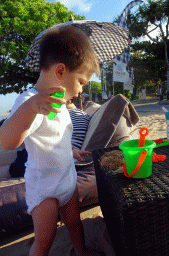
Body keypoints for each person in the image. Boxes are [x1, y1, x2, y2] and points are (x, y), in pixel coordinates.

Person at [0, 26, 101, 256]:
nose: (81, 91)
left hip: (67, 178)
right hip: (44, 187)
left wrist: (71, 150)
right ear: (60, 71)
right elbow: (7, 141)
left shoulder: (61, 102)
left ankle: (82, 251)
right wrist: (31, 108)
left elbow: (56, 137)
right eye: (81, 81)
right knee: (45, 240)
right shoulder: (30, 102)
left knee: (75, 223)